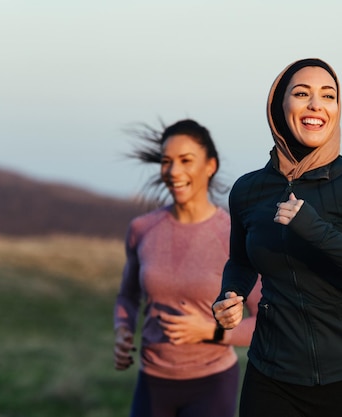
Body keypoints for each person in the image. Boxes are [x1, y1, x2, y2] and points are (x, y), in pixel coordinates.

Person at [212, 58, 342, 417]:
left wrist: (318, 231)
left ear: (337, 109)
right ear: (280, 106)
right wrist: (231, 295)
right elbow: (241, 261)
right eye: (302, 93)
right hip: (270, 379)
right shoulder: (248, 190)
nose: (316, 105)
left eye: (328, 95)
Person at [114, 119, 262, 417]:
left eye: (185, 161)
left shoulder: (233, 234)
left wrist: (209, 331)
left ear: (210, 166)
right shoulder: (142, 229)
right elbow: (128, 296)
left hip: (212, 383)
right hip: (152, 381)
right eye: (166, 161)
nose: (174, 171)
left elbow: (266, 322)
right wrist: (123, 330)